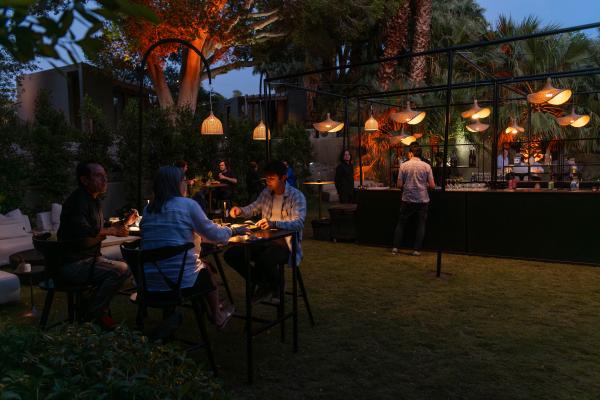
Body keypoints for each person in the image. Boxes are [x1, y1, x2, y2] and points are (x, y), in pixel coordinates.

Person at [140, 166, 247, 330]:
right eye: (184, 181)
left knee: (199, 265)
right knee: (204, 270)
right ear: (176, 184)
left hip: (149, 282)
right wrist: (232, 230)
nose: (187, 185)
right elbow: (214, 235)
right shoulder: (187, 205)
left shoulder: (148, 209)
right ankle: (217, 316)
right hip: (178, 281)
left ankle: (207, 310)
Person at [58, 162, 138, 329]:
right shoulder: (78, 202)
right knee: (121, 270)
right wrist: (113, 231)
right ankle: (94, 312)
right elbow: (84, 235)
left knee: (126, 259)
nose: (105, 179)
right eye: (98, 176)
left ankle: (92, 305)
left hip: (89, 258)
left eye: (105, 175)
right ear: (84, 180)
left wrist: (125, 223)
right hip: (72, 264)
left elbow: (97, 228)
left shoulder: (92, 200)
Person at [224, 160, 306, 303]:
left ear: (283, 178)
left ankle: (272, 285)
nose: (268, 182)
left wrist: (273, 223)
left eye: (272, 179)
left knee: (265, 259)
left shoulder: (296, 196)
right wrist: (240, 211)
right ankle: (268, 284)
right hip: (264, 241)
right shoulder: (267, 193)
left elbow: (298, 223)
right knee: (231, 254)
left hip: (285, 245)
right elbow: (254, 207)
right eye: (267, 178)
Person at [392, 144, 435, 256]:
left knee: (401, 224)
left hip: (407, 199)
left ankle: (395, 248)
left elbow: (399, 185)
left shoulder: (403, 166)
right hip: (422, 199)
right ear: (420, 154)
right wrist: (423, 184)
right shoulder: (427, 166)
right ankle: (416, 250)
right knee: (421, 225)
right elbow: (432, 185)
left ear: (411, 153)